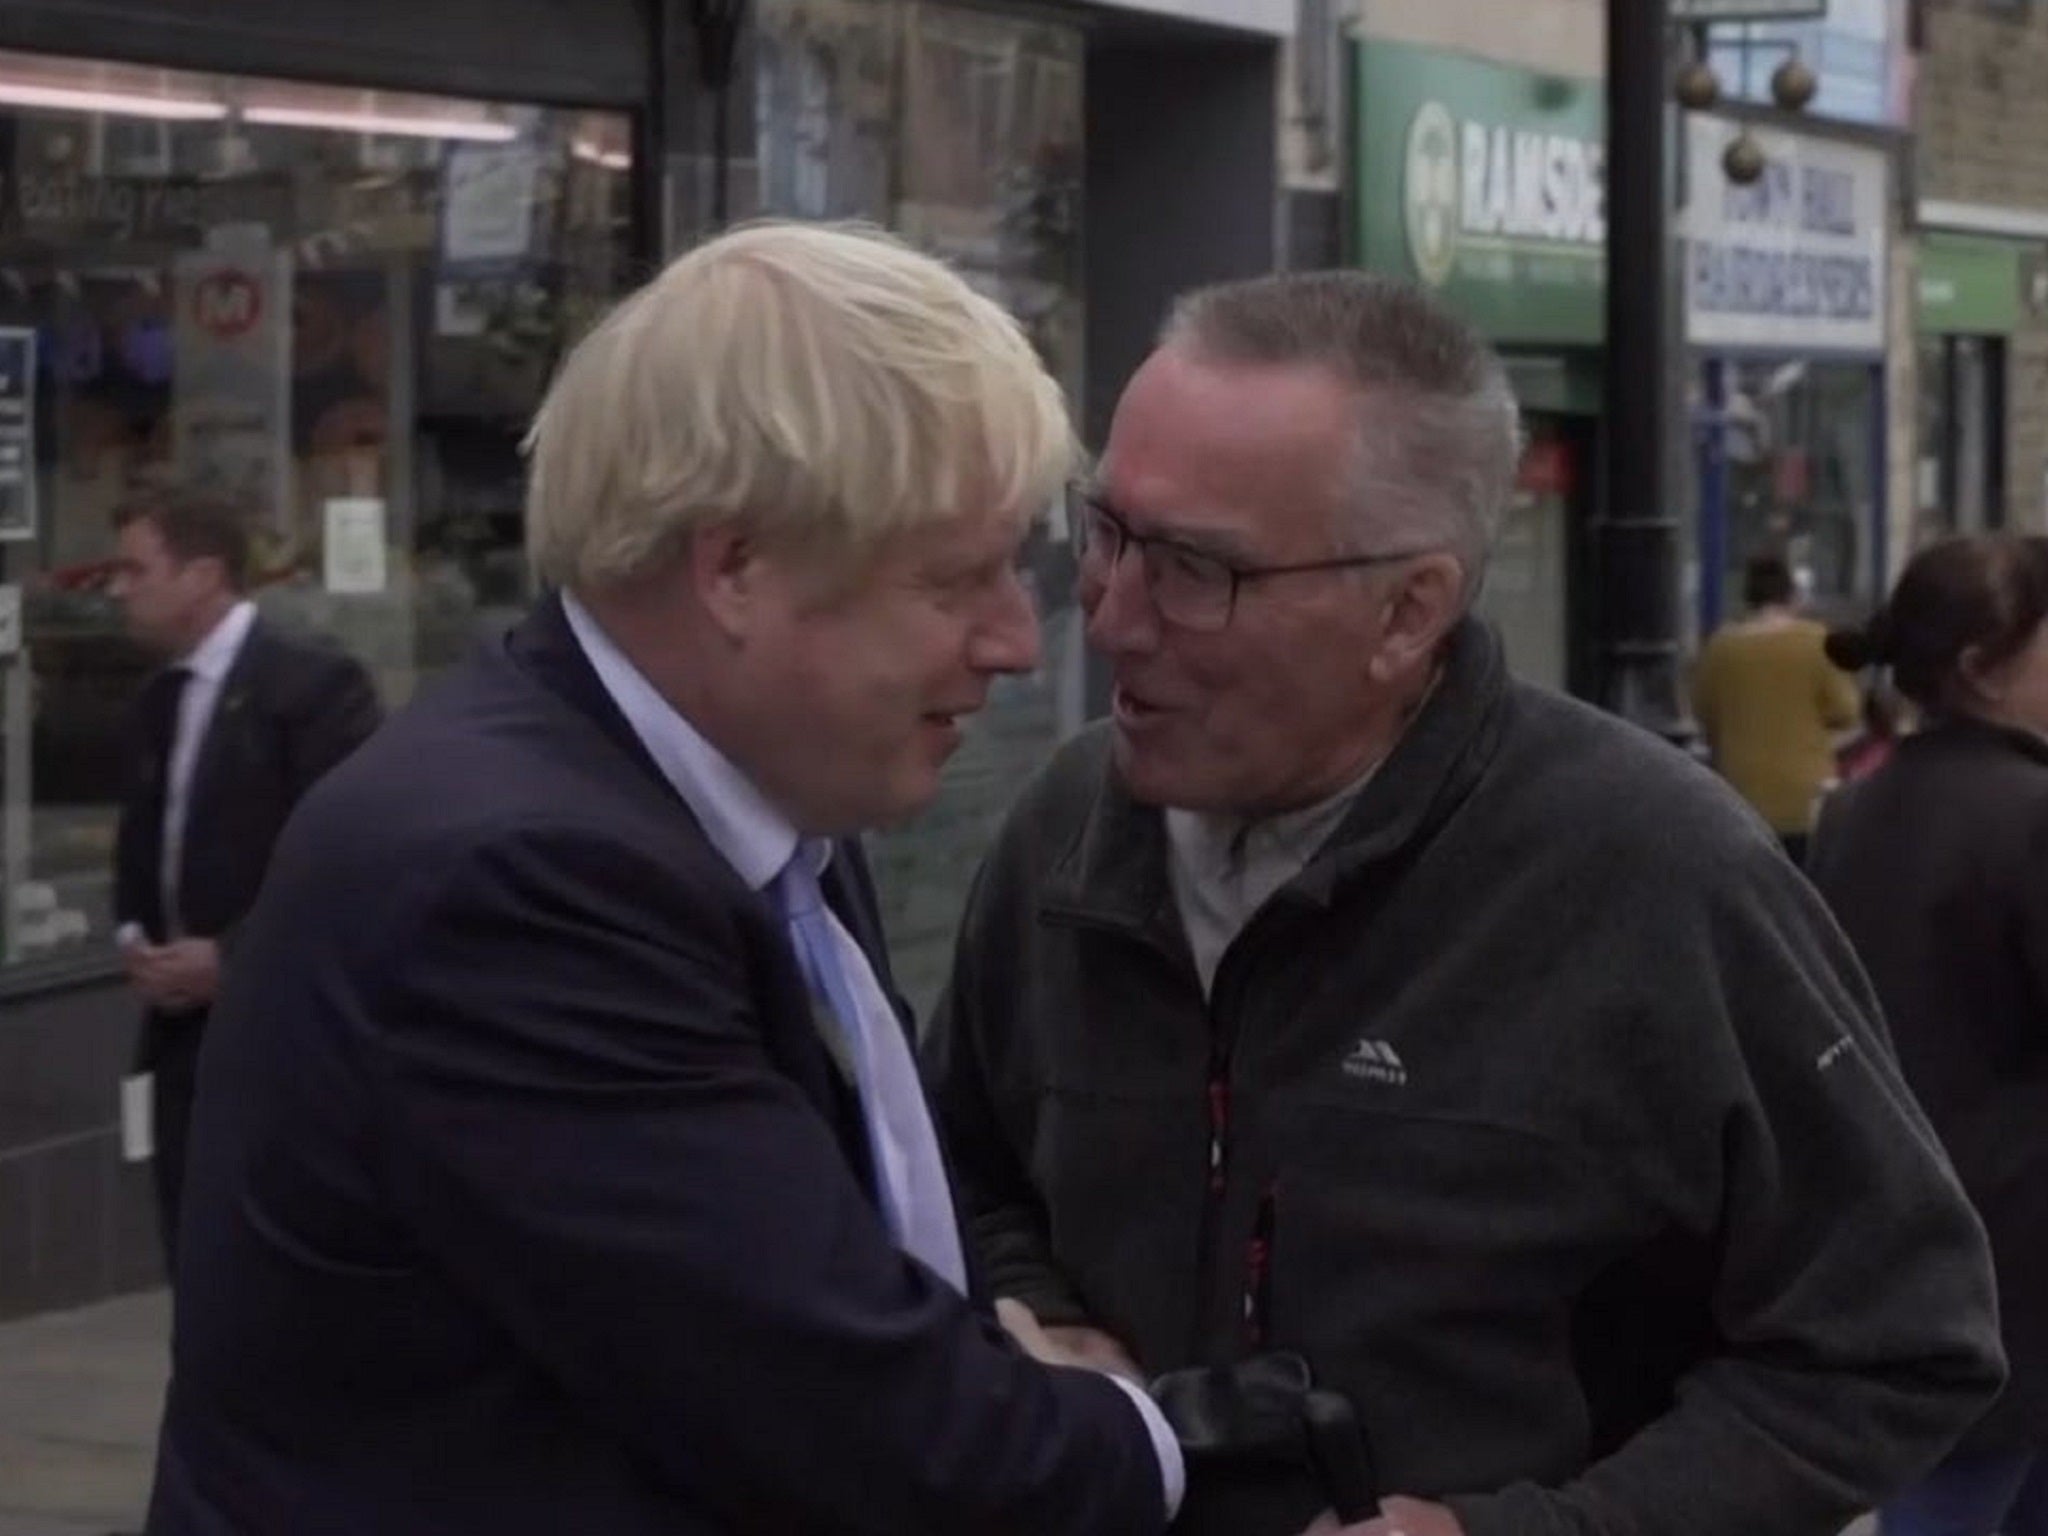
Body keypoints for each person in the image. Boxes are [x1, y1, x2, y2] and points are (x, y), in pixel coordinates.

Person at [922, 269, 2006, 1536]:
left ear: (1407, 611)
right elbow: (955, 1169)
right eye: (1103, 533)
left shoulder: (1659, 880)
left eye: (1192, 570)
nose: (1106, 617)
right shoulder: (1064, 833)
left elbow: (1896, 1344)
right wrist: (1037, 1313)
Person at [145, 221, 1184, 1535]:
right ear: (735, 567)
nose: (1011, 645)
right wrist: (1144, 1431)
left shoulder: (750, 796)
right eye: (955, 579)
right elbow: (868, 1431)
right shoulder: (518, 885)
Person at [1808, 534, 2048, 1536]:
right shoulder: (2030, 811)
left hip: (1905, 1247)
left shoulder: (1852, 810)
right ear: (1983, 668)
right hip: (2022, 1255)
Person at [108, 486, 380, 1273]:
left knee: (271, 1269)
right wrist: (135, 940)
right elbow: (140, 844)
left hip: (282, 1037)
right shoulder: (156, 700)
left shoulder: (313, 688)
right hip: (178, 1040)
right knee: (192, 1257)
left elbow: (348, 865)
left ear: (202, 576)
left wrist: (230, 958)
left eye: (136, 569)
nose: (120, 589)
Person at [1691, 553, 1861, 863]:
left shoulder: (1721, 649)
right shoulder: (1817, 642)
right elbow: (1847, 711)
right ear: (1791, 595)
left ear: (1748, 597)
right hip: (1806, 801)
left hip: (1741, 800)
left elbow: (1703, 714)